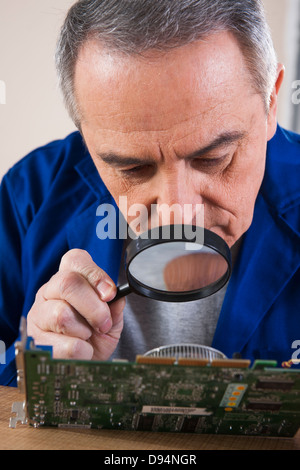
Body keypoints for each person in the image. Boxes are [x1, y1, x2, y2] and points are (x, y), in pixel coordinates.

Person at [1, 0, 300, 387]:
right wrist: (29, 367)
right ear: (86, 137)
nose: (179, 219)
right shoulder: (30, 196)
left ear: (271, 102)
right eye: (132, 168)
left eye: (213, 158)